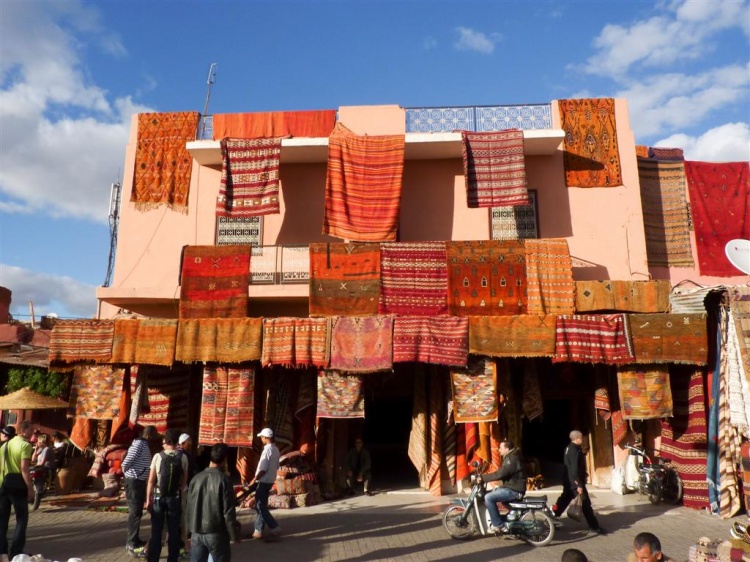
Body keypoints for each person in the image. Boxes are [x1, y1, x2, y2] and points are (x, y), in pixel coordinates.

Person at [186, 443, 240, 562]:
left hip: (196, 532)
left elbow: (189, 508)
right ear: (225, 459)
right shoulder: (224, 480)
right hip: (216, 533)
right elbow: (228, 511)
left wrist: (188, 533)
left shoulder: (196, 479)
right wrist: (234, 535)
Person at [552, 430, 607, 535]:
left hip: (569, 481)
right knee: (586, 504)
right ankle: (594, 526)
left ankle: (552, 518)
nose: (583, 440)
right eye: (581, 438)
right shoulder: (575, 451)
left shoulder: (568, 448)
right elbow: (574, 470)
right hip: (575, 483)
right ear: (577, 439)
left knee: (563, 501)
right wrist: (579, 485)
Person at [146, 428, 189, 562]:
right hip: (174, 498)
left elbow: (151, 481)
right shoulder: (183, 457)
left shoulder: (158, 456)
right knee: (173, 532)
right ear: (177, 442)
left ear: (165, 441)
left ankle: (153, 559)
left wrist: (148, 499)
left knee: (156, 531)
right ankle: (172, 559)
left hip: (159, 497)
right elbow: (184, 481)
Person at [0, 420, 35, 558]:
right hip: (17, 486)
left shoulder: (4, 445)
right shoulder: (25, 445)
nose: (32, 432)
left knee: (2, 520)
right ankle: (16, 551)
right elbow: (24, 469)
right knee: (21, 519)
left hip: (3, 485)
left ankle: (2, 551)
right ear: (22, 430)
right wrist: (30, 489)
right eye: (30, 429)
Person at [122, 425, 157, 557]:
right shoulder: (139, 444)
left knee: (137, 512)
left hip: (138, 481)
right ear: (148, 435)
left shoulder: (144, 445)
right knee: (135, 513)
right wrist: (130, 475)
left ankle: (135, 539)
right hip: (134, 482)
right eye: (153, 435)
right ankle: (131, 543)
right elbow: (126, 462)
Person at [480, 439, 527, 533]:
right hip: (512, 487)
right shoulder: (511, 456)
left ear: (506, 448)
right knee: (494, 491)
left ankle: (498, 525)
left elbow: (500, 474)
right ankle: (502, 520)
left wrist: (482, 478)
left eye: (501, 448)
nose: (499, 450)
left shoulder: (511, 459)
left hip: (514, 490)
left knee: (488, 497)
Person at [247, 428, 281, 539]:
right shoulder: (276, 449)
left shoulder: (267, 450)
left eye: (262, 437)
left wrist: (254, 479)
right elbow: (275, 466)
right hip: (270, 480)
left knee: (260, 506)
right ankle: (258, 530)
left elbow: (263, 468)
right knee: (260, 505)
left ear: (266, 438)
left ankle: (274, 527)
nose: (261, 439)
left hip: (264, 480)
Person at [178, 433, 198, 559]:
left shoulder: (178, 454)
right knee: (184, 513)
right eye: (188, 441)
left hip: (179, 489)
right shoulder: (185, 456)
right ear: (183, 443)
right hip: (185, 488)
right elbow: (189, 472)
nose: (190, 443)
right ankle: (185, 543)